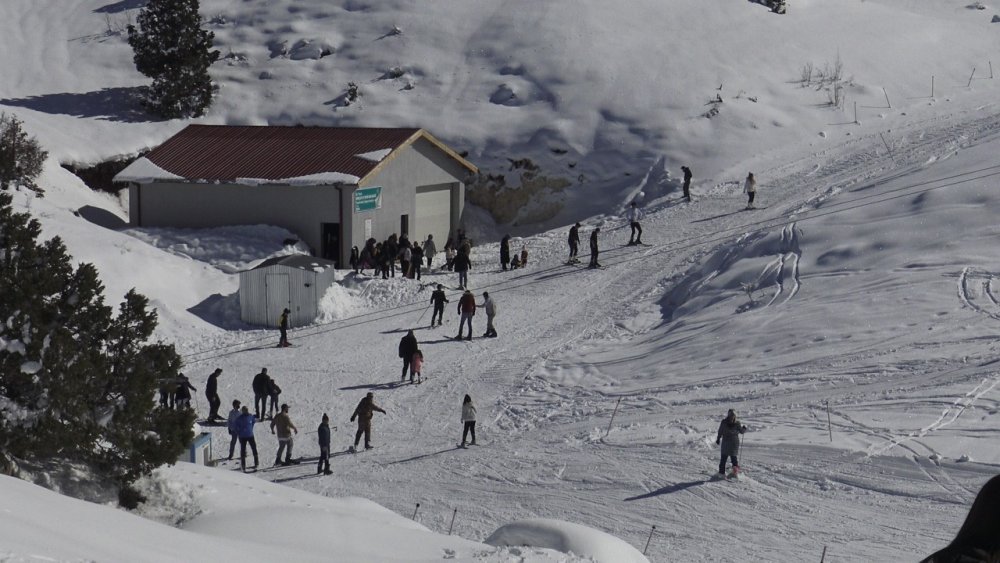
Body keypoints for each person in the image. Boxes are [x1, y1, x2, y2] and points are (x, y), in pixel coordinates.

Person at [716, 409, 746, 477]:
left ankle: (721, 473)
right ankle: (735, 472)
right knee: (733, 458)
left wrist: (718, 438)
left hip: (726, 442)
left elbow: (720, 431)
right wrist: (744, 428)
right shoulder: (737, 423)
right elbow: (742, 432)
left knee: (723, 458)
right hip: (734, 442)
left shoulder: (724, 422)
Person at [236, 406, 259, 472]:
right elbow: (236, 426)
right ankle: (243, 466)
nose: (246, 411)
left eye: (247, 410)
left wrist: (250, 429)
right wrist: (239, 432)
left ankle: (256, 463)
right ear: (242, 411)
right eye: (245, 410)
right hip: (243, 436)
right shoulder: (239, 418)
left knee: (254, 448)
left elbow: (253, 422)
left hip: (250, 435)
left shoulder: (251, 416)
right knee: (243, 451)